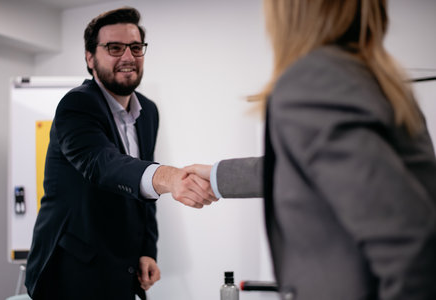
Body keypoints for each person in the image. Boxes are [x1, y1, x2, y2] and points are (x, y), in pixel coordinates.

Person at [186, 0, 436, 299]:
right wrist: (218, 176)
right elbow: (328, 172)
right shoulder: (374, 76)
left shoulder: (314, 79)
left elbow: (408, 240)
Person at [25, 7, 216, 300]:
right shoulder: (76, 106)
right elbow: (104, 164)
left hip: (123, 268)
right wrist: (170, 177)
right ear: (90, 57)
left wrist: (147, 250)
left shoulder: (148, 110)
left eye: (136, 48)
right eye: (114, 48)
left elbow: (143, 191)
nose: (128, 57)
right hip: (72, 272)